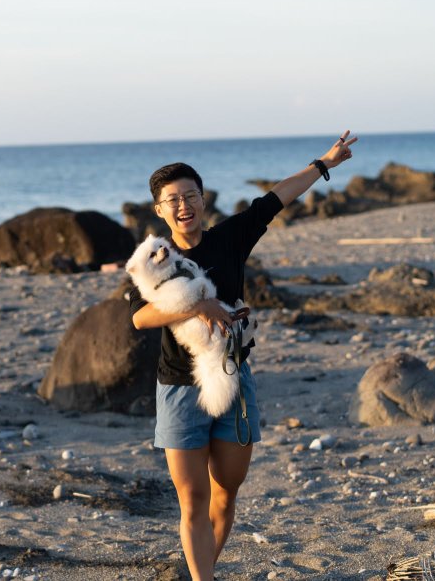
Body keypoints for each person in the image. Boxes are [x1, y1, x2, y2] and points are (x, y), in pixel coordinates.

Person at [129, 131, 358, 581]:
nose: (183, 205)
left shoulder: (229, 238)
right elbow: (139, 318)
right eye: (172, 200)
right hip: (178, 387)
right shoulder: (153, 257)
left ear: (202, 199)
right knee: (191, 500)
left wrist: (324, 163)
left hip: (232, 378)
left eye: (190, 195)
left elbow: (275, 199)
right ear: (159, 210)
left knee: (225, 493)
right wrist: (199, 303)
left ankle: (203, 568)